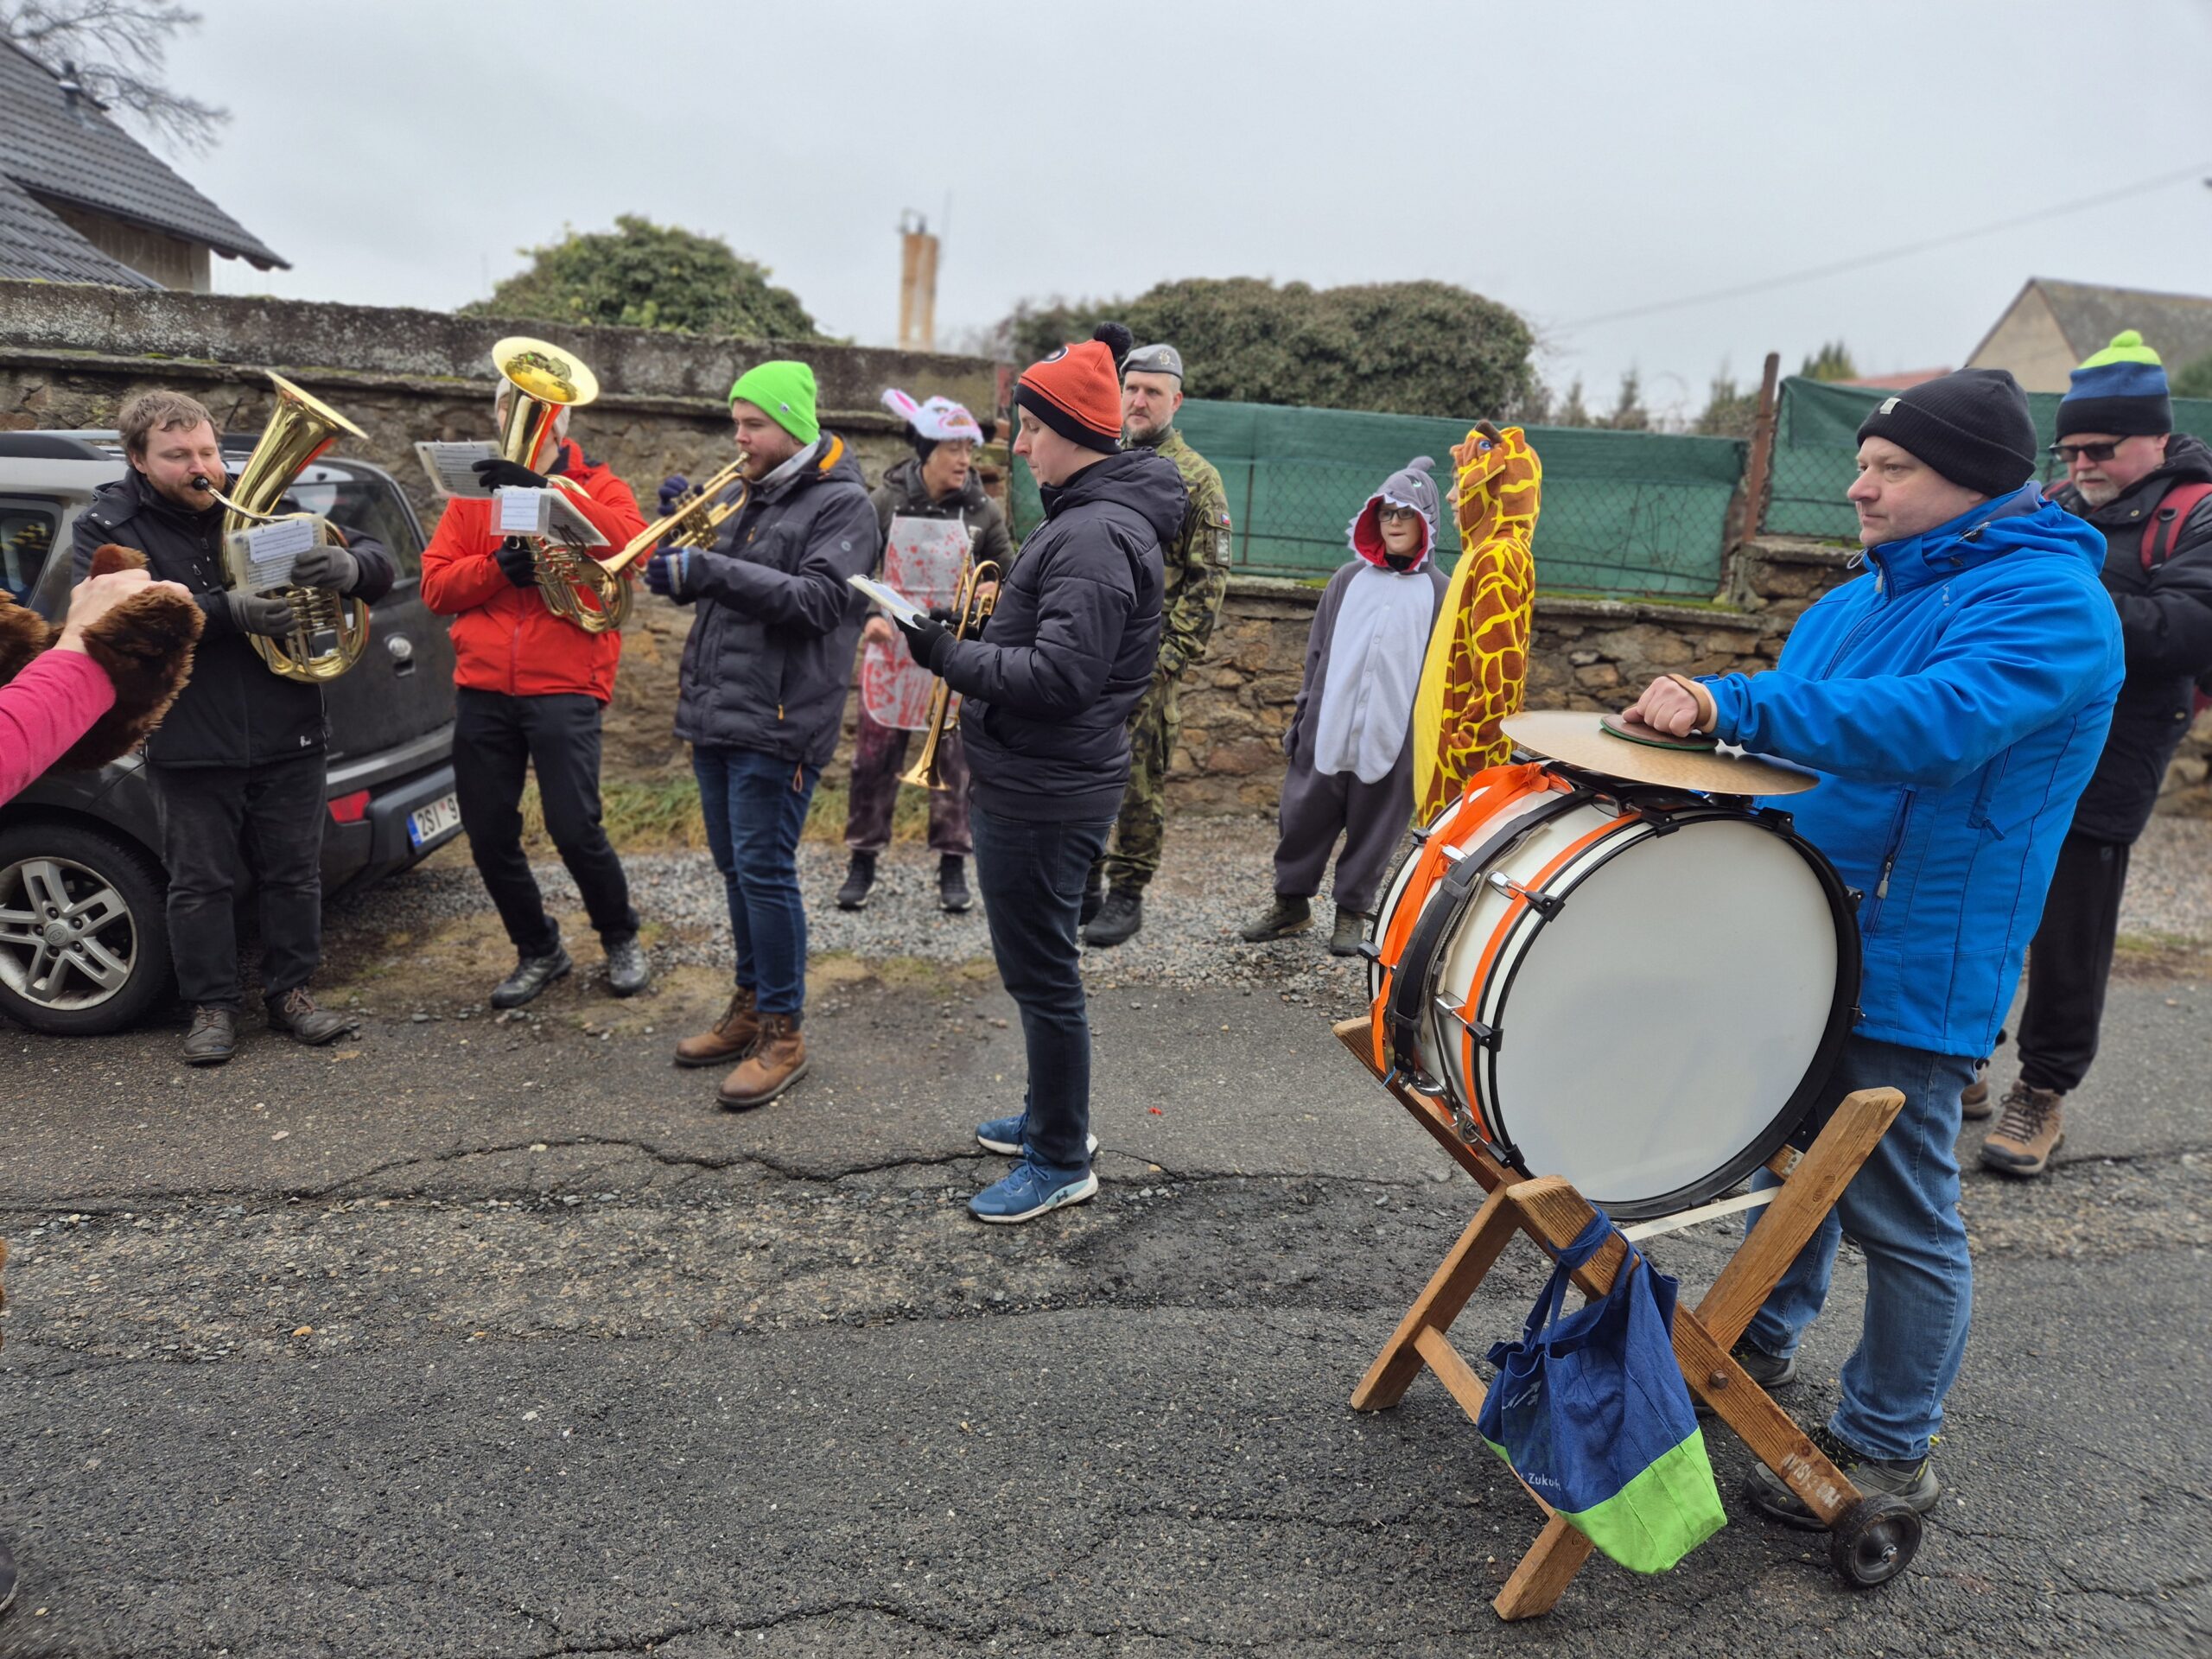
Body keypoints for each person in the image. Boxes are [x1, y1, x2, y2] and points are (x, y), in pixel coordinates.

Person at [1621, 368, 2123, 1525]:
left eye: (1893, 468)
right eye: (1862, 464)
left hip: (1915, 955)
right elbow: (1780, 762)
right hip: (1794, 938)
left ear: (1976, 482)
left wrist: (1734, 703)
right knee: (1783, 1169)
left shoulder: (2052, 604)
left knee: (1900, 1215)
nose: (1860, 487)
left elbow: (1939, 726)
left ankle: (1890, 1448)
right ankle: (1748, 1353)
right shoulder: (1852, 603)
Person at [892, 324, 1181, 1222]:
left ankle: (1059, 1157)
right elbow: (1054, 646)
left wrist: (946, 655)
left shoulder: (1093, 535)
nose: (1017, 447)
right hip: (1044, 778)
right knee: (1041, 970)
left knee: (1043, 976)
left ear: (1074, 434)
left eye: (1030, 429)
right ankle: (1053, 1119)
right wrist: (975, 631)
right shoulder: (1089, 521)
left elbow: (1059, 679)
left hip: (1044, 788)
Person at [70, 390, 395, 1065]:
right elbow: (116, 627)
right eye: (178, 456)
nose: (202, 468)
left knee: (294, 874)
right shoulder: (110, 526)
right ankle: (212, 1006)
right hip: (190, 734)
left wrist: (351, 567)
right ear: (138, 459)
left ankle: (291, 993)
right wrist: (227, 612)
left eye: (208, 451)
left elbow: (372, 557)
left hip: (288, 725)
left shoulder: (256, 500)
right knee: (200, 883)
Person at [1966, 332, 2212, 1178]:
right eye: (2068, 450)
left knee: (2072, 922)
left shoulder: (2198, 513)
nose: (2080, 466)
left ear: (2154, 437)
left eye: (2099, 449)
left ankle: (2043, 1090)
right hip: (2024, 729)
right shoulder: (2057, 503)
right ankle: (1963, 1051)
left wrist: (2060, 596)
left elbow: (2187, 630)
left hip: (2123, 742)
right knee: (1984, 895)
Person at [647, 361, 878, 1109]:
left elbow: (817, 602)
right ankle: (750, 1006)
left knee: (765, 871)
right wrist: (685, 545)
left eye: (753, 425)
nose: (738, 438)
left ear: (792, 427)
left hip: (779, 720)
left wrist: (708, 568)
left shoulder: (844, 505)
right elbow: (727, 596)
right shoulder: (752, 494)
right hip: (720, 709)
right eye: (736, 423)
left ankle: (784, 1033)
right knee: (735, 870)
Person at [420, 383, 653, 1008]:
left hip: (566, 684)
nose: (517, 414)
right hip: (483, 687)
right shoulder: (474, 495)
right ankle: (538, 948)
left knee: (575, 828)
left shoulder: (600, 484)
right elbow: (436, 587)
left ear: (563, 420)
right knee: (488, 834)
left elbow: (636, 547)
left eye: (536, 404)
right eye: (508, 403)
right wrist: (496, 570)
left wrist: (550, 492)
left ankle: (619, 936)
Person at [1240, 457, 1450, 956]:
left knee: (1377, 825)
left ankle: (1352, 910)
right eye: (1386, 513)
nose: (1394, 523)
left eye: (1406, 514)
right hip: (1328, 724)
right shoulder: (1347, 579)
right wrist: (1303, 716)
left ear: (1426, 521)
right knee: (1303, 815)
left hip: (1395, 734)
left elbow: (1445, 670)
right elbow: (1318, 652)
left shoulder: (1441, 593)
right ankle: (1291, 904)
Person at [836, 389, 1012, 915]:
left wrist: (996, 589)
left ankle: (953, 864)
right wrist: (867, 617)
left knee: (956, 766)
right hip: (890, 654)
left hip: (954, 657)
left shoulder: (984, 511)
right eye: (954, 449)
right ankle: (862, 858)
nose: (965, 460)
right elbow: (853, 571)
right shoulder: (885, 502)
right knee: (871, 762)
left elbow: (1012, 575)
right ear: (927, 450)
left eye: (969, 449)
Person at [1082, 341, 1232, 947]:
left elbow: (1208, 580)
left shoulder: (1198, 479)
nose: (1139, 401)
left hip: (1147, 664)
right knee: (1082, 769)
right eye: (1132, 389)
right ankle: (1083, 883)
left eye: (1153, 392)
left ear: (1177, 401)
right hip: (1088, 654)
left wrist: (1167, 662)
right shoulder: (1102, 461)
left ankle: (1127, 892)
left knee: (1138, 779)